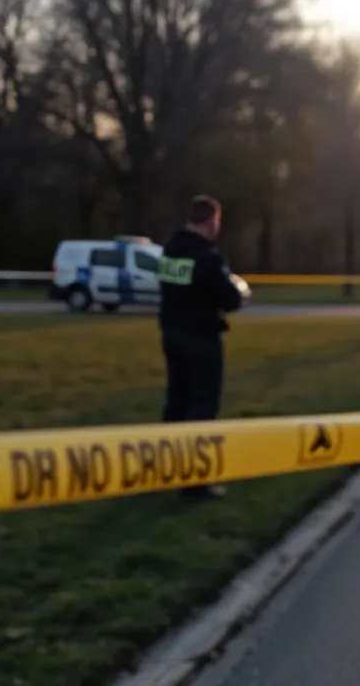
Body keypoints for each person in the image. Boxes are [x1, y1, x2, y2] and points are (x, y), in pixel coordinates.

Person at [158, 194, 244, 499]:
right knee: (203, 406)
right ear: (210, 223)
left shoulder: (169, 252)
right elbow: (231, 298)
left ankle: (166, 468)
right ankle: (195, 481)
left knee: (176, 402)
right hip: (202, 339)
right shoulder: (208, 258)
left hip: (172, 335)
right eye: (217, 223)